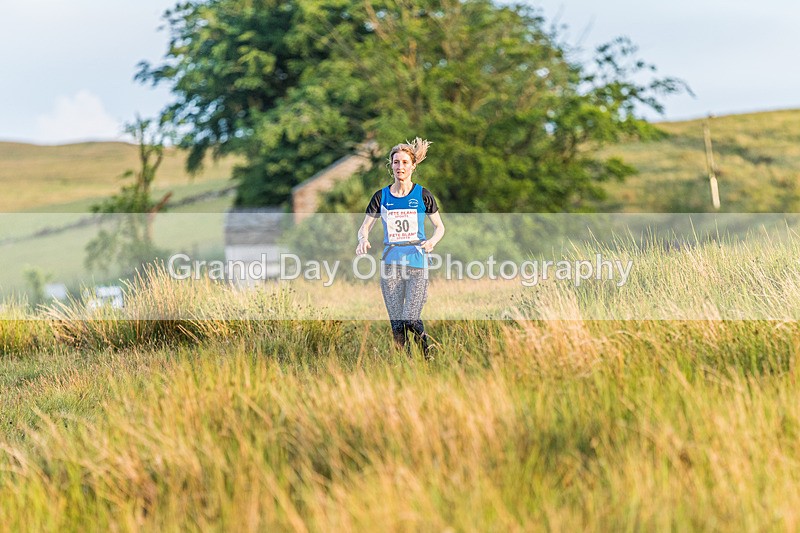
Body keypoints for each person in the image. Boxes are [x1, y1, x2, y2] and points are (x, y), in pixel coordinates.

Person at [355, 137, 445, 359]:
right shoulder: (381, 197)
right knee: (397, 325)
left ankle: (427, 354)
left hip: (416, 262)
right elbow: (364, 227)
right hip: (391, 265)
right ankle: (405, 364)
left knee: (410, 318)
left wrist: (432, 241)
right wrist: (362, 239)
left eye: (405, 162)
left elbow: (440, 227)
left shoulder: (423, 195)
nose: (400, 167)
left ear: (413, 166)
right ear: (391, 165)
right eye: (396, 162)